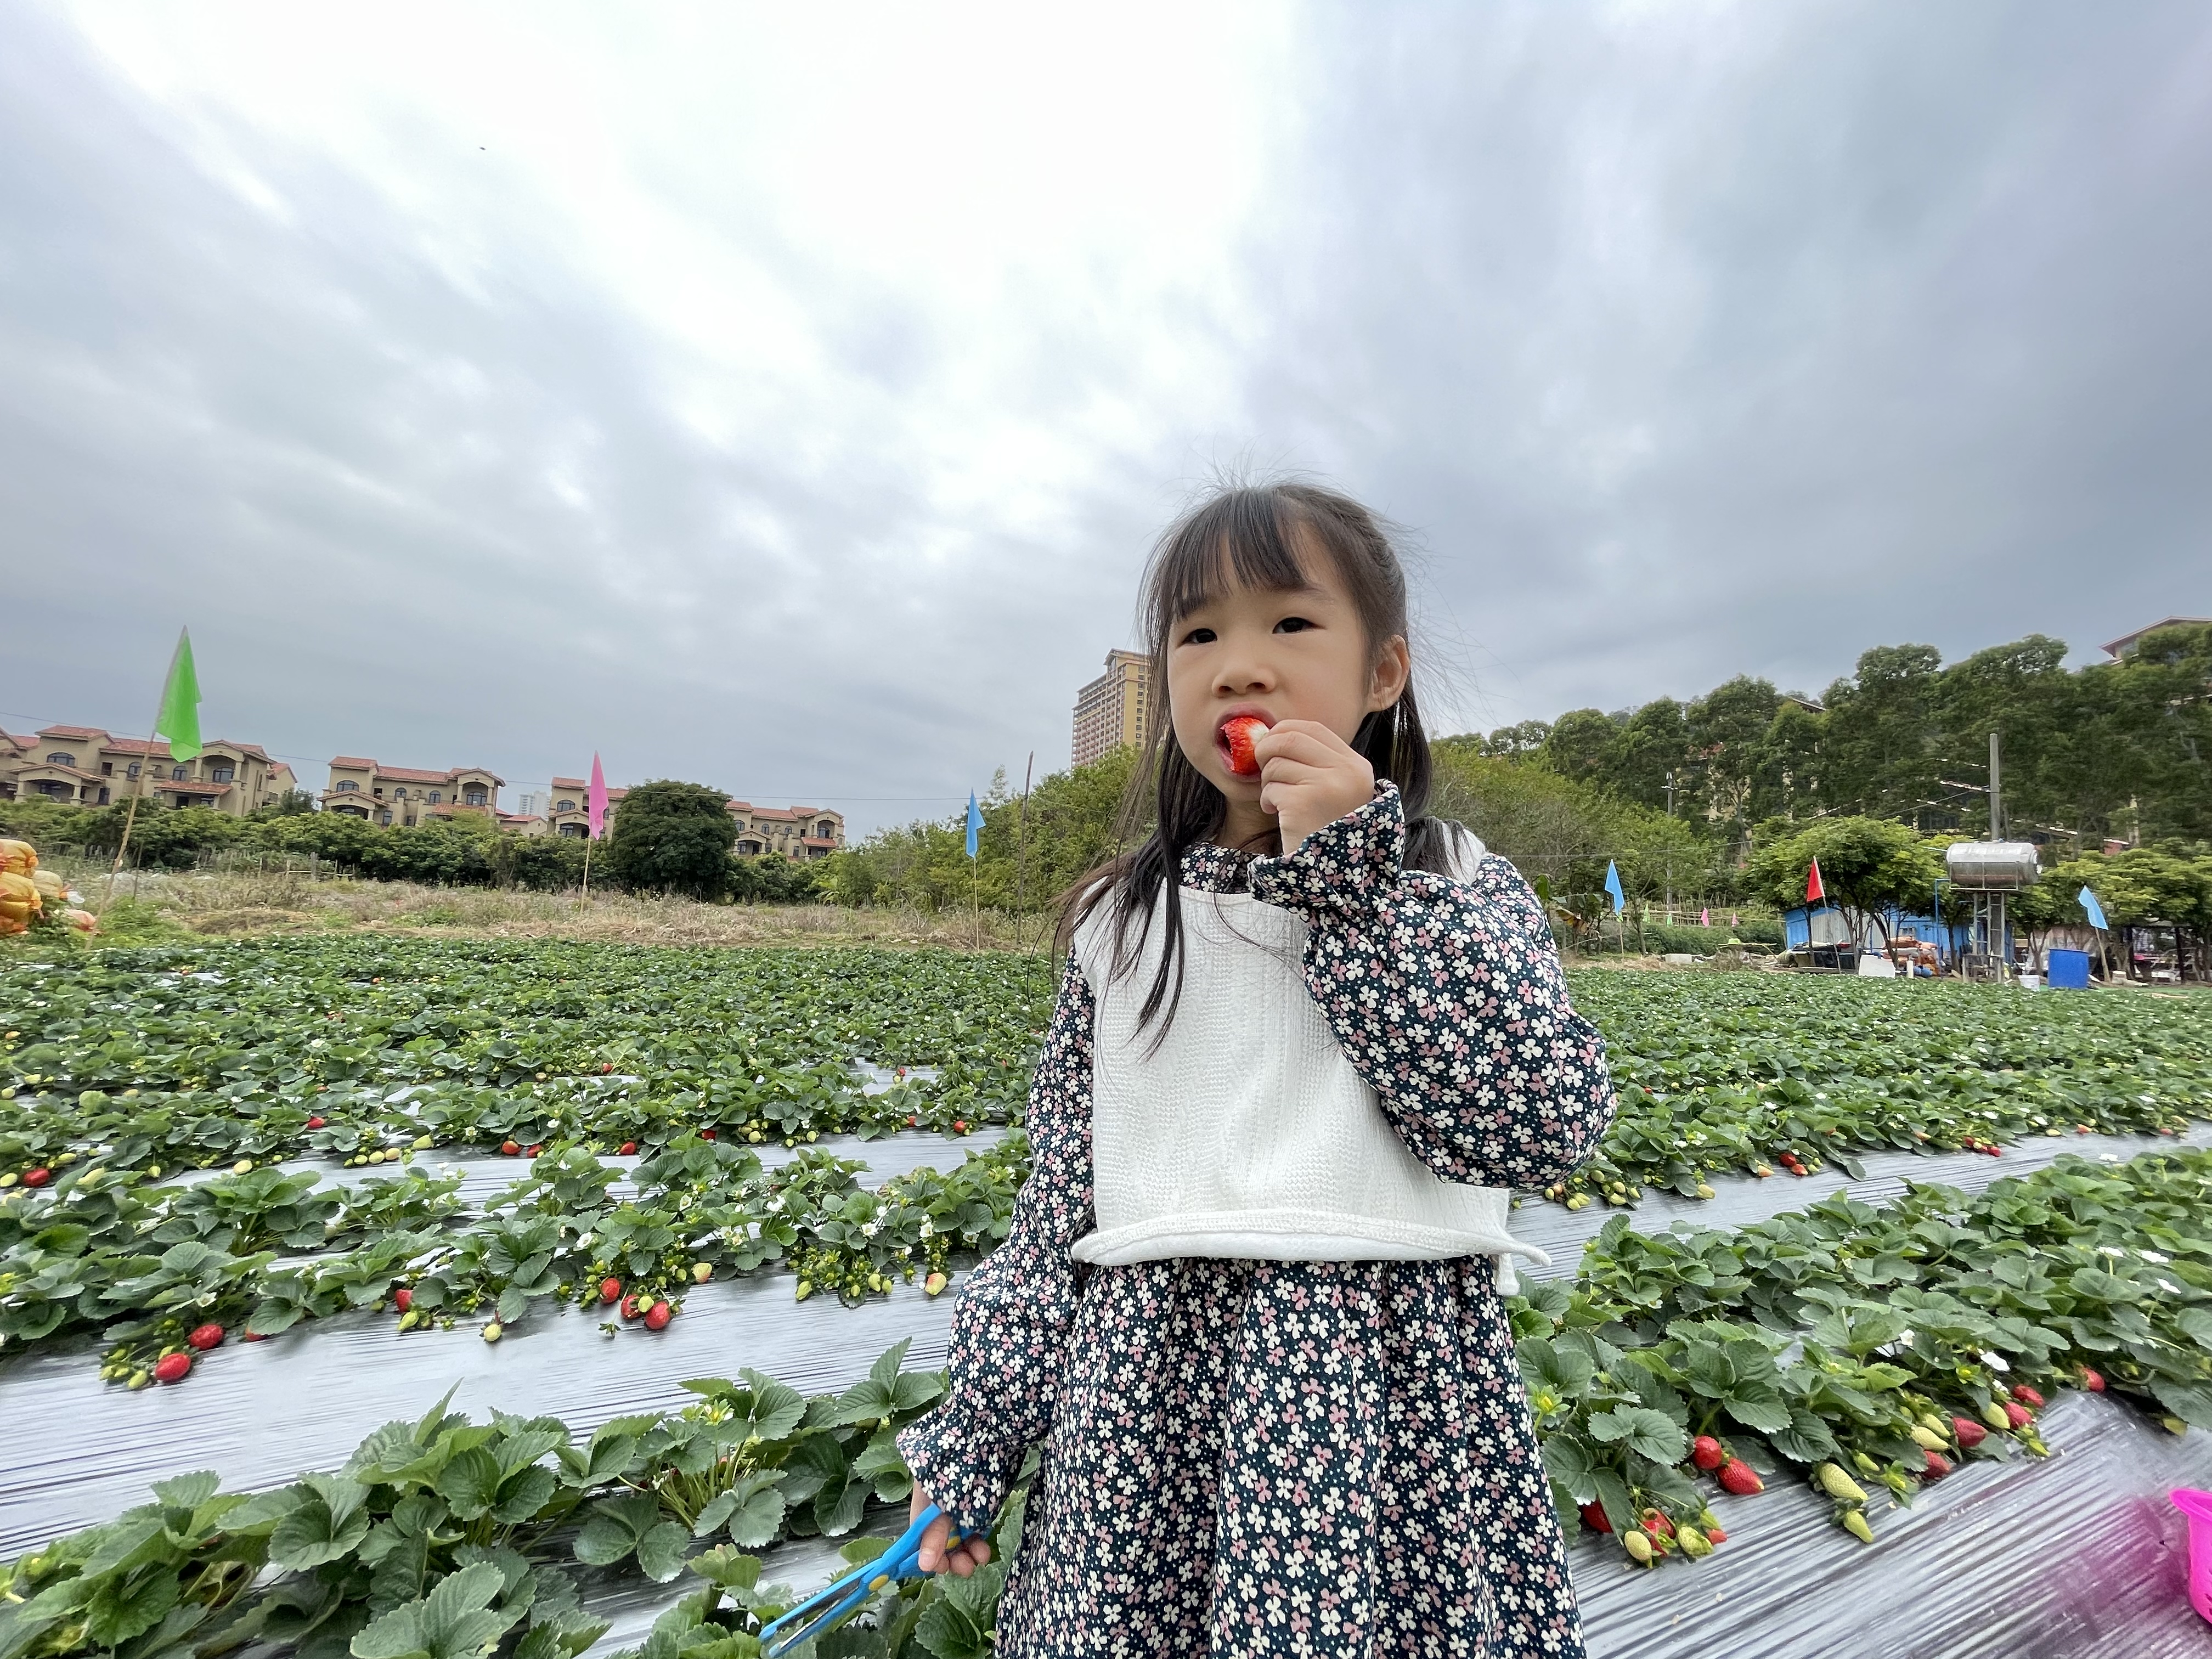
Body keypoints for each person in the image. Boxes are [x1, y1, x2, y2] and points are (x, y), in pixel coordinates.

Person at [896, 481, 1617, 1657]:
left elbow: (1535, 1125)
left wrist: (1352, 886)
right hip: (1144, 1402)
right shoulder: (1124, 921)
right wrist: (977, 1441)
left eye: (1288, 625)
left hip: (1383, 1397)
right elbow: (1052, 1215)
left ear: (1383, 675)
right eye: (1198, 635)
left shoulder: (1453, 884)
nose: (1239, 667)